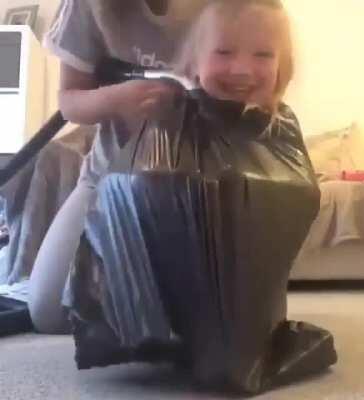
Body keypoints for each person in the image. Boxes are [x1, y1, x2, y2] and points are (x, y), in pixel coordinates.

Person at [28, 0, 297, 334]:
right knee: (49, 310)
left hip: (204, 189)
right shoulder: (88, 6)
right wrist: (121, 98)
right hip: (110, 176)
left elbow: (267, 72)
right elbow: (70, 101)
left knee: (208, 313)